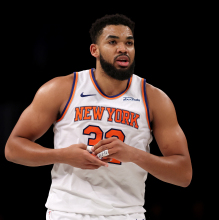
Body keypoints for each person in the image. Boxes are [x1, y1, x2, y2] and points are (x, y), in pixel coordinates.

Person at [5, 14, 192, 220]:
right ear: (94, 50)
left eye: (129, 43)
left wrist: (135, 155)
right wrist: (61, 155)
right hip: (67, 212)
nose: (123, 48)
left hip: (127, 213)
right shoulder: (61, 88)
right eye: (113, 42)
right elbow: (13, 149)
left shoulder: (155, 99)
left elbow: (183, 174)